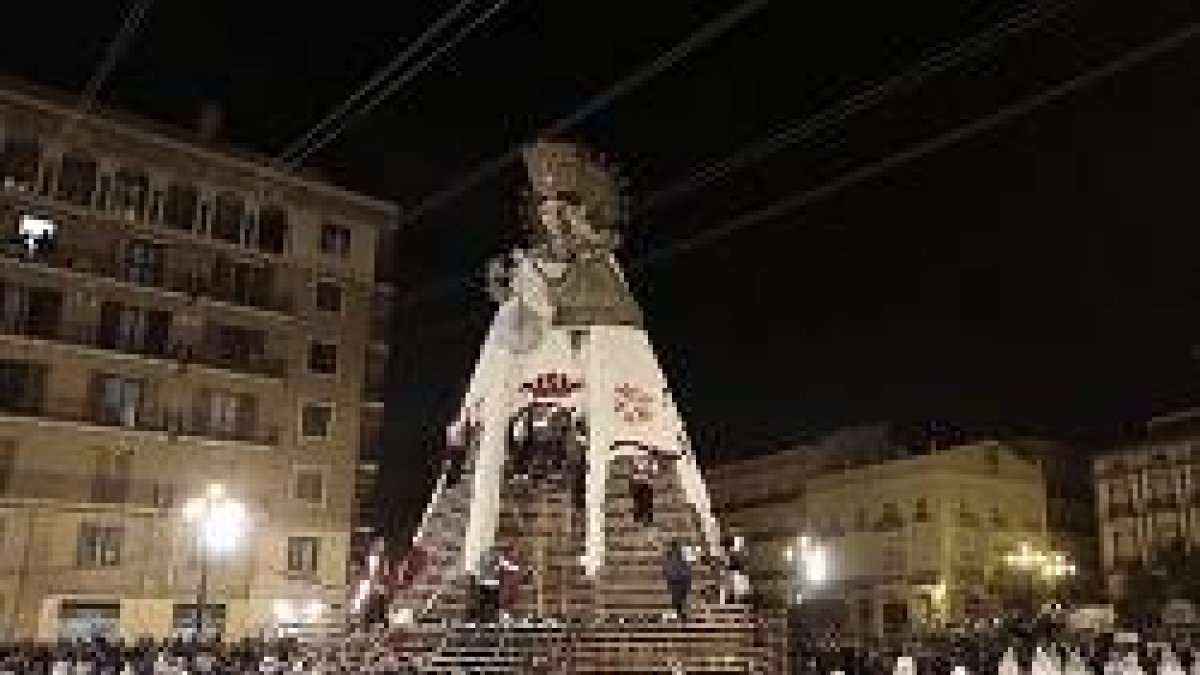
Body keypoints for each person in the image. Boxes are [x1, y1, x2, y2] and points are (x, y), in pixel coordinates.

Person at [663, 540, 693, 621]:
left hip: (678, 581)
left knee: (679, 599)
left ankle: (680, 614)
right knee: (679, 599)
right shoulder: (679, 558)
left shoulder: (676, 558)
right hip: (679, 581)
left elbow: (669, 571)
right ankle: (681, 614)